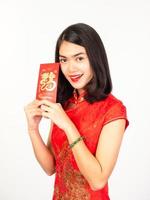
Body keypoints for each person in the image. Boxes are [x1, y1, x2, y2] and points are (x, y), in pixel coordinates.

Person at [24, 23, 129, 200]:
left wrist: (67, 125)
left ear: (95, 59)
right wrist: (33, 129)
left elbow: (97, 181)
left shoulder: (113, 109)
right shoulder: (64, 104)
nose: (70, 69)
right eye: (64, 60)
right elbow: (50, 167)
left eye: (79, 58)